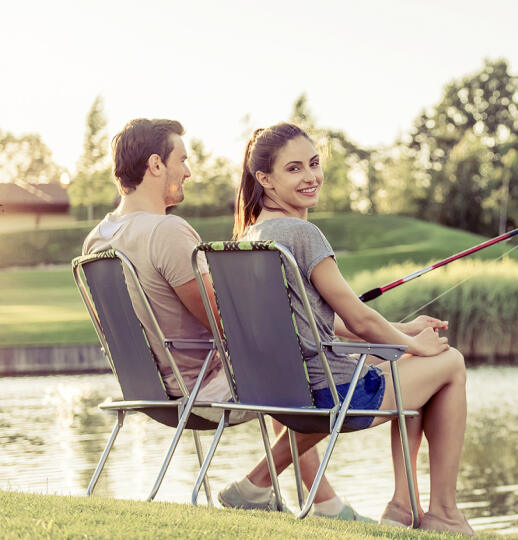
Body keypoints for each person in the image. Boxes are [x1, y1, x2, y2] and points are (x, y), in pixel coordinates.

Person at [82, 118, 370, 522]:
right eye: (182, 159)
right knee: (326, 368)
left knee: (290, 362)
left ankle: (321, 502)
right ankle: (274, 490)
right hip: (205, 390)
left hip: (151, 388)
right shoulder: (166, 232)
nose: (188, 170)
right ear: (155, 165)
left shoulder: (96, 240)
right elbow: (232, 326)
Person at [222, 122, 474, 534]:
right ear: (264, 179)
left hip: (284, 392)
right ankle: (441, 512)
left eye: (315, 164)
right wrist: (417, 345)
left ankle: (402, 506)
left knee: (411, 364)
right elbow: (358, 318)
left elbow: (322, 321)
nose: (311, 177)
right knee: (450, 362)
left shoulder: (251, 237)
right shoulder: (302, 235)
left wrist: (404, 330)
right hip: (333, 394)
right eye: (295, 169)